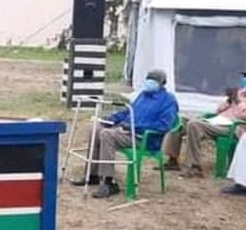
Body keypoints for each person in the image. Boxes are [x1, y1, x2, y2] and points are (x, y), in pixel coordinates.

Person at [71, 69, 179, 198]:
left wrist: (133, 127)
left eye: (154, 80)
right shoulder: (143, 95)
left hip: (144, 138)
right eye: (148, 79)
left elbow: (163, 126)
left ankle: (108, 182)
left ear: (162, 83)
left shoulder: (168, 101)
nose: (150, 82)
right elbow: (127, 112)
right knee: (96, 128)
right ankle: (92, 174)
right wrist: (110, 119)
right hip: (127, 132)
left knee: (107, 135)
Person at [161, 66, 246, 178]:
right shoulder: (239, 92)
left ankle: (194, 167)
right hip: (218, 120)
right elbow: (219, 110)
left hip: (233, 127)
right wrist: (230, 100)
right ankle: (172, 159)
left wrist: (243, 108)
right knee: (181, 120)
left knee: (194, 125)